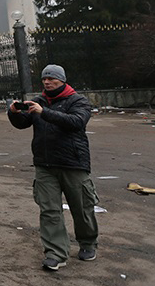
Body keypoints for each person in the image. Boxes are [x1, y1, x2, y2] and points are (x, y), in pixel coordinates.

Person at [8, 64, 99, 271]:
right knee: (49, 210)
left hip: (73, 163)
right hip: (45, 164)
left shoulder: (78, 101)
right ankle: (55, 252)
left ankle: (88, 243)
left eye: (51, 79)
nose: (47, 82)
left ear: (62, 80)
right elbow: (23, 123)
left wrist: (45, 112)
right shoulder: (38, 101)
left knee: (82, 208)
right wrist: (13, 112)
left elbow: (77, 122)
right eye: (44, 79)